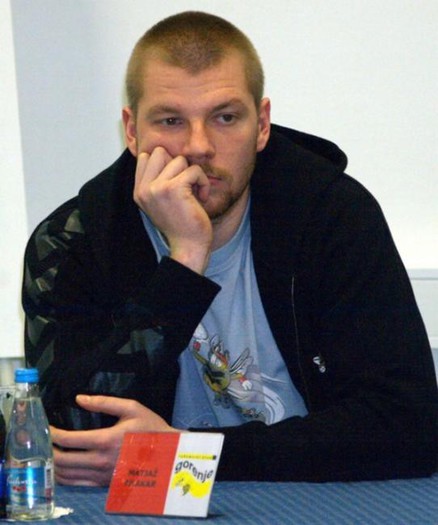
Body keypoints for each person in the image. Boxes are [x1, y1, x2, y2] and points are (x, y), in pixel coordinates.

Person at [23, 11, 438, 486]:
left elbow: (411, 426)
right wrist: (185, 262)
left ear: (261, 125)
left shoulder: (331, 217)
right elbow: (69, 433)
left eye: (225, 117)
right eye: (171, 120)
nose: (199, 146)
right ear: (132, 130)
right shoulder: (72, 240)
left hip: (308, 501)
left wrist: (184, 455)